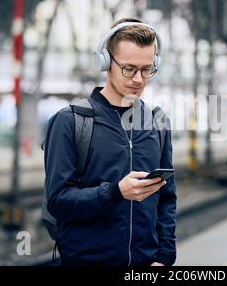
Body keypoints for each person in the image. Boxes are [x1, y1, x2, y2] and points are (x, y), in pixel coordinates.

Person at [44, 18, 176, 266]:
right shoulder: (70, 122)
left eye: (146, 69)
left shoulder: (157, 124)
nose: (138, 79)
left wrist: (165, 257)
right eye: (128, 68)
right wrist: (115, 192)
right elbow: (58, 202)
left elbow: (167, 198)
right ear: (105, 62)